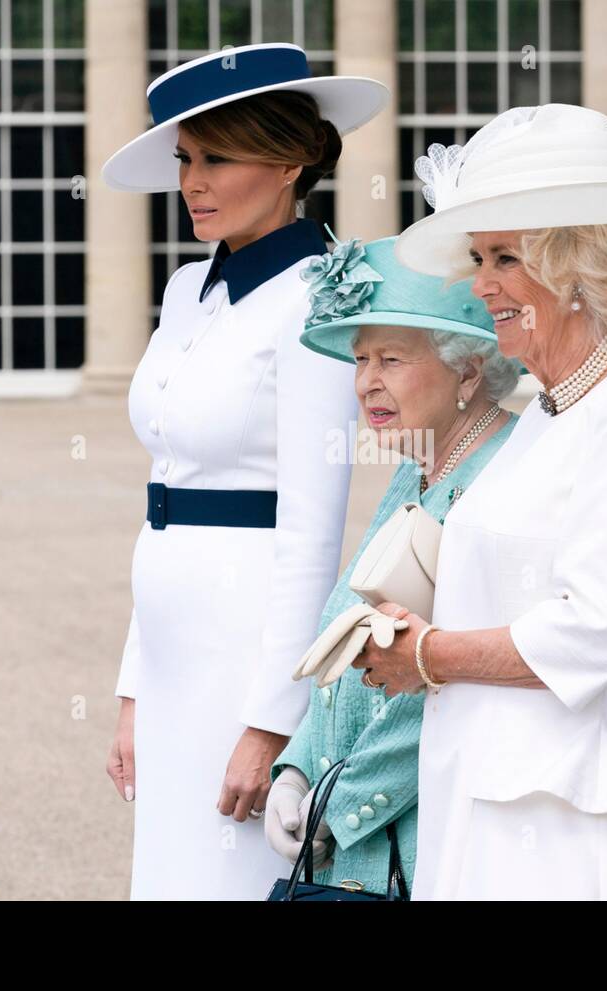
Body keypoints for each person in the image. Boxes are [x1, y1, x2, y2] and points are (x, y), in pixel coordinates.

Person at [360, 104, 607, 900]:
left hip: (571, 818)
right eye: (481, 258)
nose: (482, 285)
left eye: (506, 259)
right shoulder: (547, 411)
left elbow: (594, 628)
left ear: (578, 266)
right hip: (485, 797)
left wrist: (426, 654)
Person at [99, 43, 388, 899]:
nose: (192, 180)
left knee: (228, 877)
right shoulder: (189, 288)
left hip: (245, 643)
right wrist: (130, 691)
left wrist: (271, 722)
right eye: (186, 159)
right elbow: (165, 498)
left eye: (217, 158)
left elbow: (311, 525)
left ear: (291, 159)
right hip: (169, 635)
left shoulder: (315, 298)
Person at [263, 236, 520, 895]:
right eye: (360, 360)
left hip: (424, 845)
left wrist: (340, 803)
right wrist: (294, 769)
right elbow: (344, 633)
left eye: (391, 359)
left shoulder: (502, 477)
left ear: (467, 371)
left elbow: (443, 675)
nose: (365, 382)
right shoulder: (419, 466)